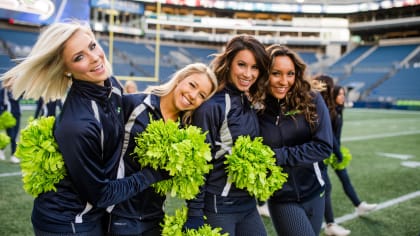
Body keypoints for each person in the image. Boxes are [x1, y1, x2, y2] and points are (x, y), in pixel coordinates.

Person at [0, 21, 169, 235]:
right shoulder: (78, 124)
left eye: (92, 46)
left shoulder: (111, 85)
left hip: (92, 214)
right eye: (78, 57)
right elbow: (101, 195)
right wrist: (152, 174)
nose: (95, 58)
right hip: (69, 221)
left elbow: (131, 110)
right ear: (65, 70)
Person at [105, 62, 218, 236]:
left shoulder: (186, 130)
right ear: (180, 79)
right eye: (192, 85)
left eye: (202, 95)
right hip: (120, 214)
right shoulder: (134, 104)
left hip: (156, 217)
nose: (193, 95)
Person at [184, 35, 270, 236]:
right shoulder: (212, 107)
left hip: (248, 205)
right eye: (242, 65)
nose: (248, 74)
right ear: (229, 63)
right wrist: (195, 213)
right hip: (219, 207)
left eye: (255, 67)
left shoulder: (247, 100)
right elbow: (197, 164)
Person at [258, 44, 333, 236]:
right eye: (276, 73)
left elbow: (324, 147)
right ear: (265, 74)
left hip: (316, 192)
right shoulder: (256, 109)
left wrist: (278, 155)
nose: (284, 81)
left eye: (290, 74)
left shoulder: (312, 100)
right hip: (283, 198)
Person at [312, 75, 377, 236]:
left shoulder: (337, 110)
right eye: (339, 94)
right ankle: (330, 224)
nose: (343, 96)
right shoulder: (328, 110)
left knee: (344, 178)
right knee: (326, 187)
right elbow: (330, 136)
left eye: (343, 94)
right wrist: (337, 151)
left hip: (334, 151)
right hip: (328, 152)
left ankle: (358, 205)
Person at [0, 80, 21, 164]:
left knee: (14, 136)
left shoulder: (17, 90)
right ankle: (13, 155)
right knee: (11, 136)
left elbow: (19, 98)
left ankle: (2, 150)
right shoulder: (3, 91)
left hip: (17, 115)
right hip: (8, 117)